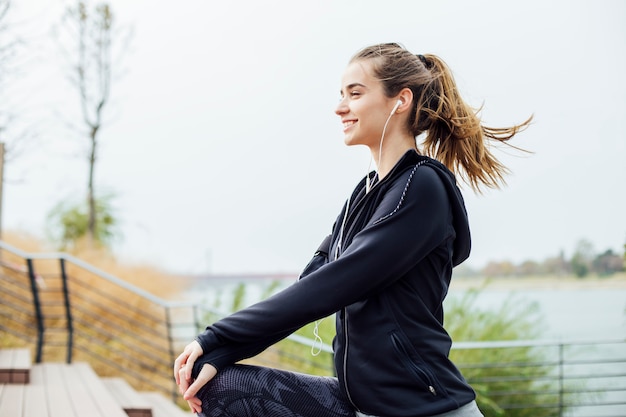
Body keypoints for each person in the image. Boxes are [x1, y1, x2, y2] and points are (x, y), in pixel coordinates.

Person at [174, 42, 531, 417]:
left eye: (355, 94)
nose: (340, 107)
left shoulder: (421, 188)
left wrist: (218, 336)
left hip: (423, 409)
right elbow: (311, 284)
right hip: (361, 405)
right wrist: (219, 350)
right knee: (220, 387)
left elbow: (335, 284)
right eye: (341, 95)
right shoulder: (363, 195)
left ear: (401, 100)